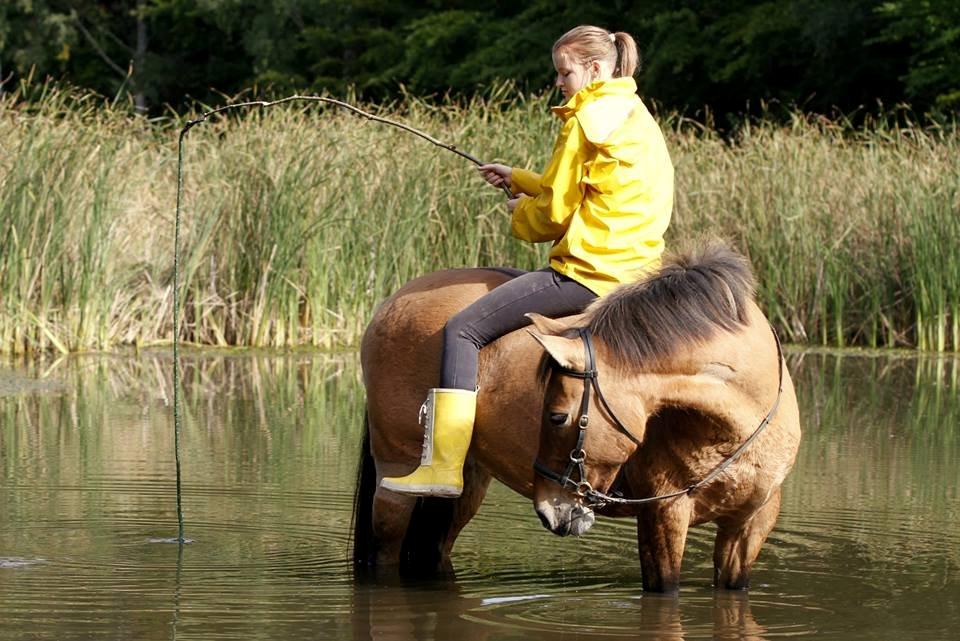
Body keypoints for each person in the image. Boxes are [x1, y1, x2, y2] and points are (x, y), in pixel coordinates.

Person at [381, 25, 675, 497]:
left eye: (565, 73)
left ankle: (442, 465)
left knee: (462, 330)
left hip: (590, 273)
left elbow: (555, 214)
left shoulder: (586, 118)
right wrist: (519, 178)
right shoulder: (634, 113)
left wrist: (523, 215)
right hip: (638, 274)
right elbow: (588, 187)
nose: (559, 83)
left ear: (595, 69)